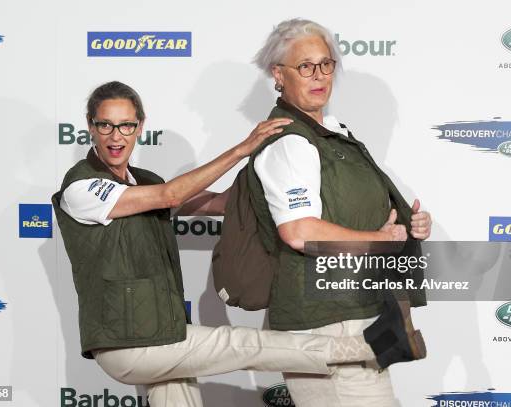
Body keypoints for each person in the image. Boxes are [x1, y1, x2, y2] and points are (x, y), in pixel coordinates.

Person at [52, 81, 413, 407]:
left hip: (157, 332)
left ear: (140, 128)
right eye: (106, 125)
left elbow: (220, 203)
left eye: (127, 125)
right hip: (130, 344)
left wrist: (269, 171)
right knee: (246, 345)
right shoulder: (81, 188)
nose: (117, 136)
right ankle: (367, 346)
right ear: (90, 127)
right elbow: (170, 194)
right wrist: (242, 150)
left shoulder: (143, 181)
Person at [247, 19, 433, 406]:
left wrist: (406, 223)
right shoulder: (289, 142)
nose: (319, 76)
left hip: (353, 310)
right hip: (325, 323)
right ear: (278, 75)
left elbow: (346, 212)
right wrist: (382, 240)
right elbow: (299, 231)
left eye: (326, 64)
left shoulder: (333, 132)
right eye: (305, 66)